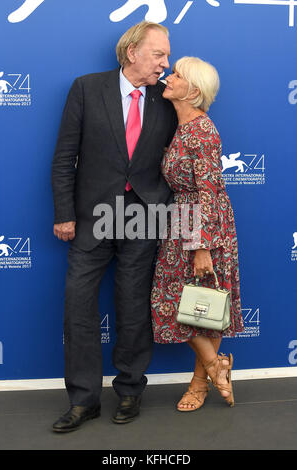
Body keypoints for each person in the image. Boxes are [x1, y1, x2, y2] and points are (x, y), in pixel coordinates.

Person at [51, 21, 177, 432]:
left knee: (133, 307)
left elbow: (181, 156)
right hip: (90, 219)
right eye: (158, 54)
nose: (165, 62)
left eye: (166, 54)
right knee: (78, 308)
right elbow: (64, 156)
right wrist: (64, 213)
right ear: (132, 53)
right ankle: (84, 400)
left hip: (144, 217)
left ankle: (129, 390)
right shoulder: (87, 88)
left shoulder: (166, 98)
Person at [151, 56, 244, 411]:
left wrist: (202, 246)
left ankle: (200, 382)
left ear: (193, 91)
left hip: (202, 224)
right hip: (182, 220)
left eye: (176, 75)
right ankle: (215, 366)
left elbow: (209, 191)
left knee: (202, 307)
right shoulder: (183, 127)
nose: (167, 77)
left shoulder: (202, 130)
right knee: (177, 303)